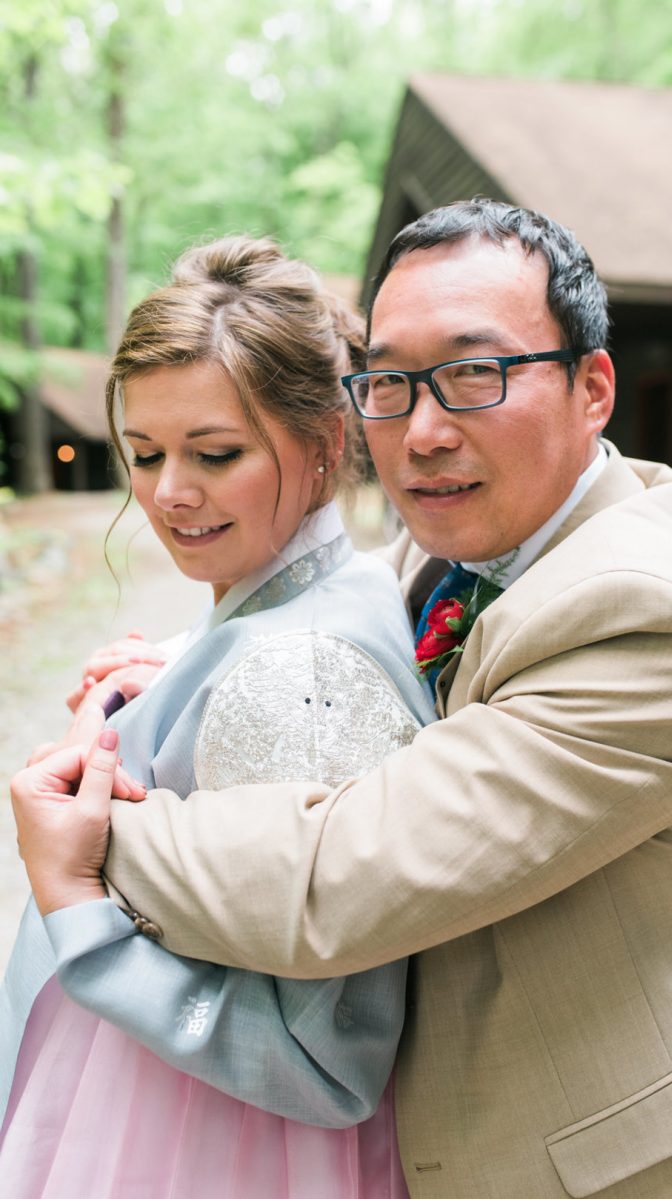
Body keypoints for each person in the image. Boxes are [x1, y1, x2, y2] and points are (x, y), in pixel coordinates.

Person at [12, 199, 672, 1198]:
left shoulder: (643, 618)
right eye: (389, 381)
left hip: (591, 1167)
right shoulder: (455, 546)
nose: (423, 430)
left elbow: (336, 882)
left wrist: (86, 840)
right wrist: (187, 665)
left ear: (590, 386)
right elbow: (331, 611)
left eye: (474, 373)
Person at [1, 234, 434, 1197]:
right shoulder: (324, 596)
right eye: (145, 452)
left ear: (325, 441)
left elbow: (327, 1063)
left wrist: (77, 902)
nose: (169, 493)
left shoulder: (299, 677)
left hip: (212, 1145)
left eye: (215, 453)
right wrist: (182, 678)